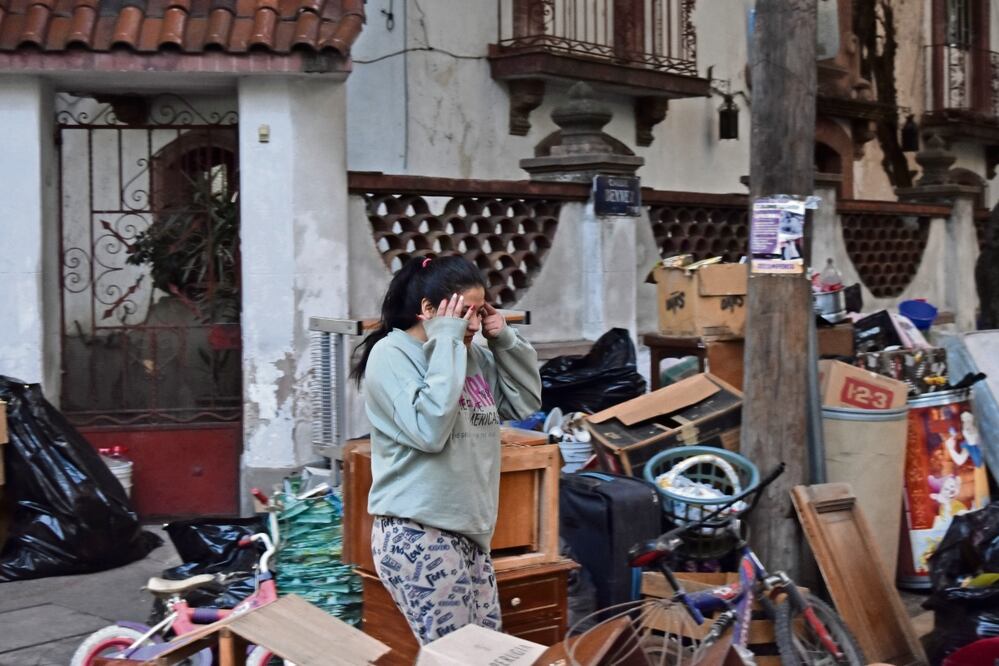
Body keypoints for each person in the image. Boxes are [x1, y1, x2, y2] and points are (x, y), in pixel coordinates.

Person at [350, 255, 542, 645]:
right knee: (459, 656)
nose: (473, 324)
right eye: (462, 312)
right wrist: (449, 341)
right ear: (426, 309)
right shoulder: (391, 356)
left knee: (485, 651)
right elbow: (430, 430)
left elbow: (524, 403)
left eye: (479, 311)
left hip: (468, 533)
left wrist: (504, 338)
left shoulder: (471, 353)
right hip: (418, 531)